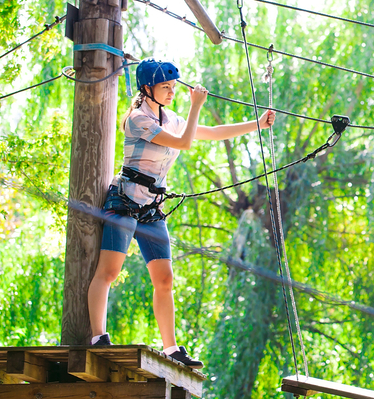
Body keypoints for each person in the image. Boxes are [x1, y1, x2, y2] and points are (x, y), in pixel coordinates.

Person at [86, 59, 276, 368]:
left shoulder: (170, 118)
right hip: (126, 201)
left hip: (151, 208)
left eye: (174, 87)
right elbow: (185, 143)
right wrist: (196, 105)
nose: (172, 92)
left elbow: (212, 133)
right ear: (147, 89)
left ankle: (172, 348)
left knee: (164, 279)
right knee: (109, 272)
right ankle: (98, 337)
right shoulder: (137, 119)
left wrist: (257, 123)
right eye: (166, 88)